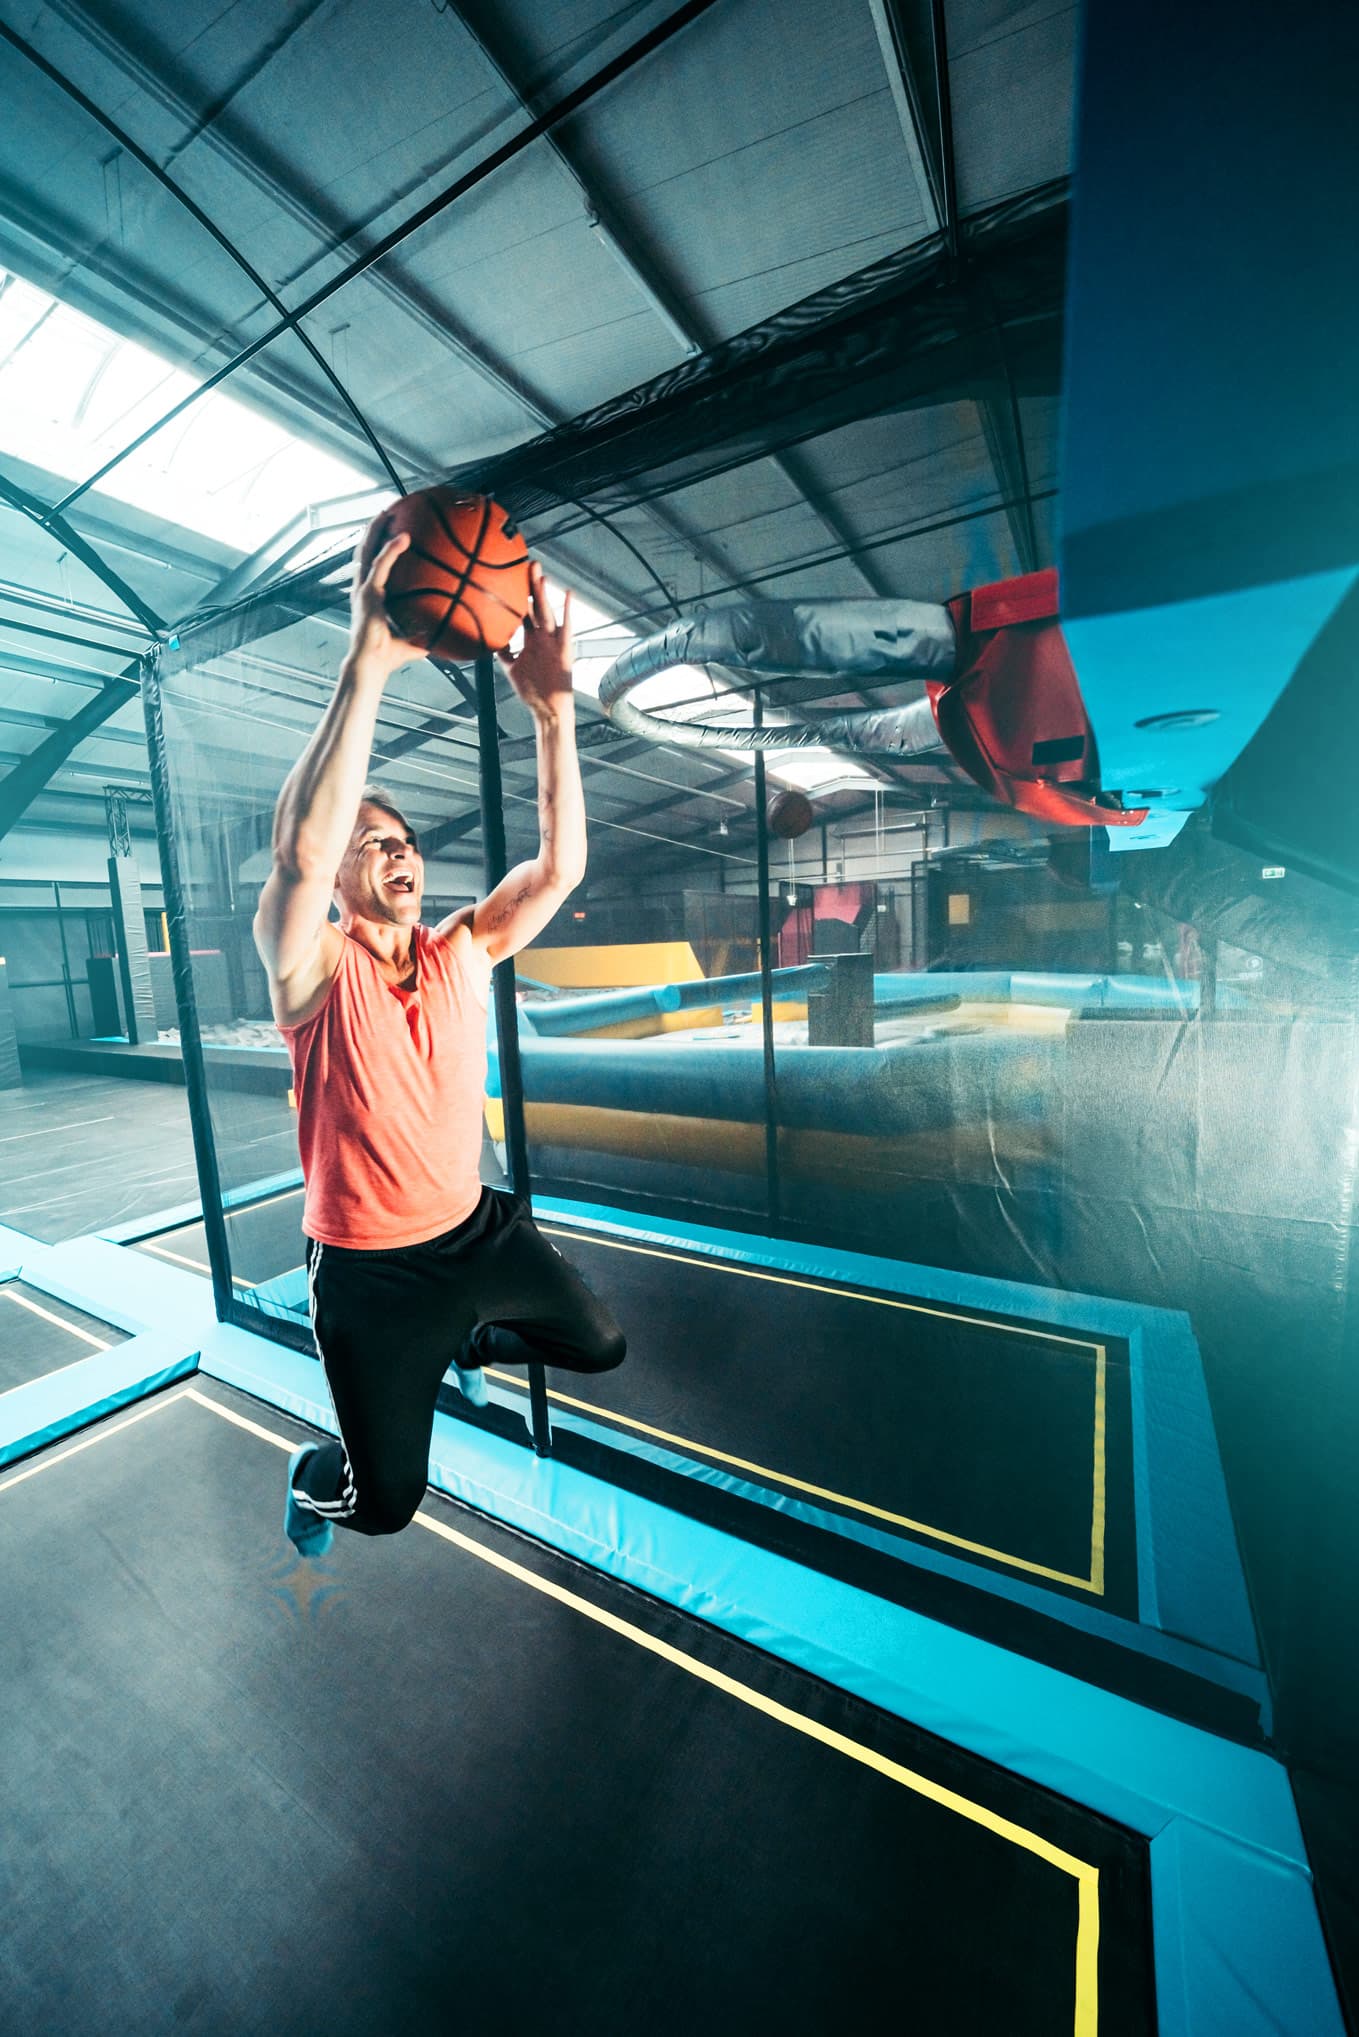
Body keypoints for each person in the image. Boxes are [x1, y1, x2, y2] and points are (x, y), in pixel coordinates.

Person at [254, 530, 625, 1558]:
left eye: (407, 840)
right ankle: (311, 1473)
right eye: (372, 843)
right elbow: (300, 849)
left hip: (474, 1238)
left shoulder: (461, 947)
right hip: (371, 1278)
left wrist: (553, 715)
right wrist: (367, 663)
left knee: (599, 1344)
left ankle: (460, 1338)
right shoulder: (313, 970)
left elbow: (559, 871)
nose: (399, 851)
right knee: (384, 1506)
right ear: (339, 873)